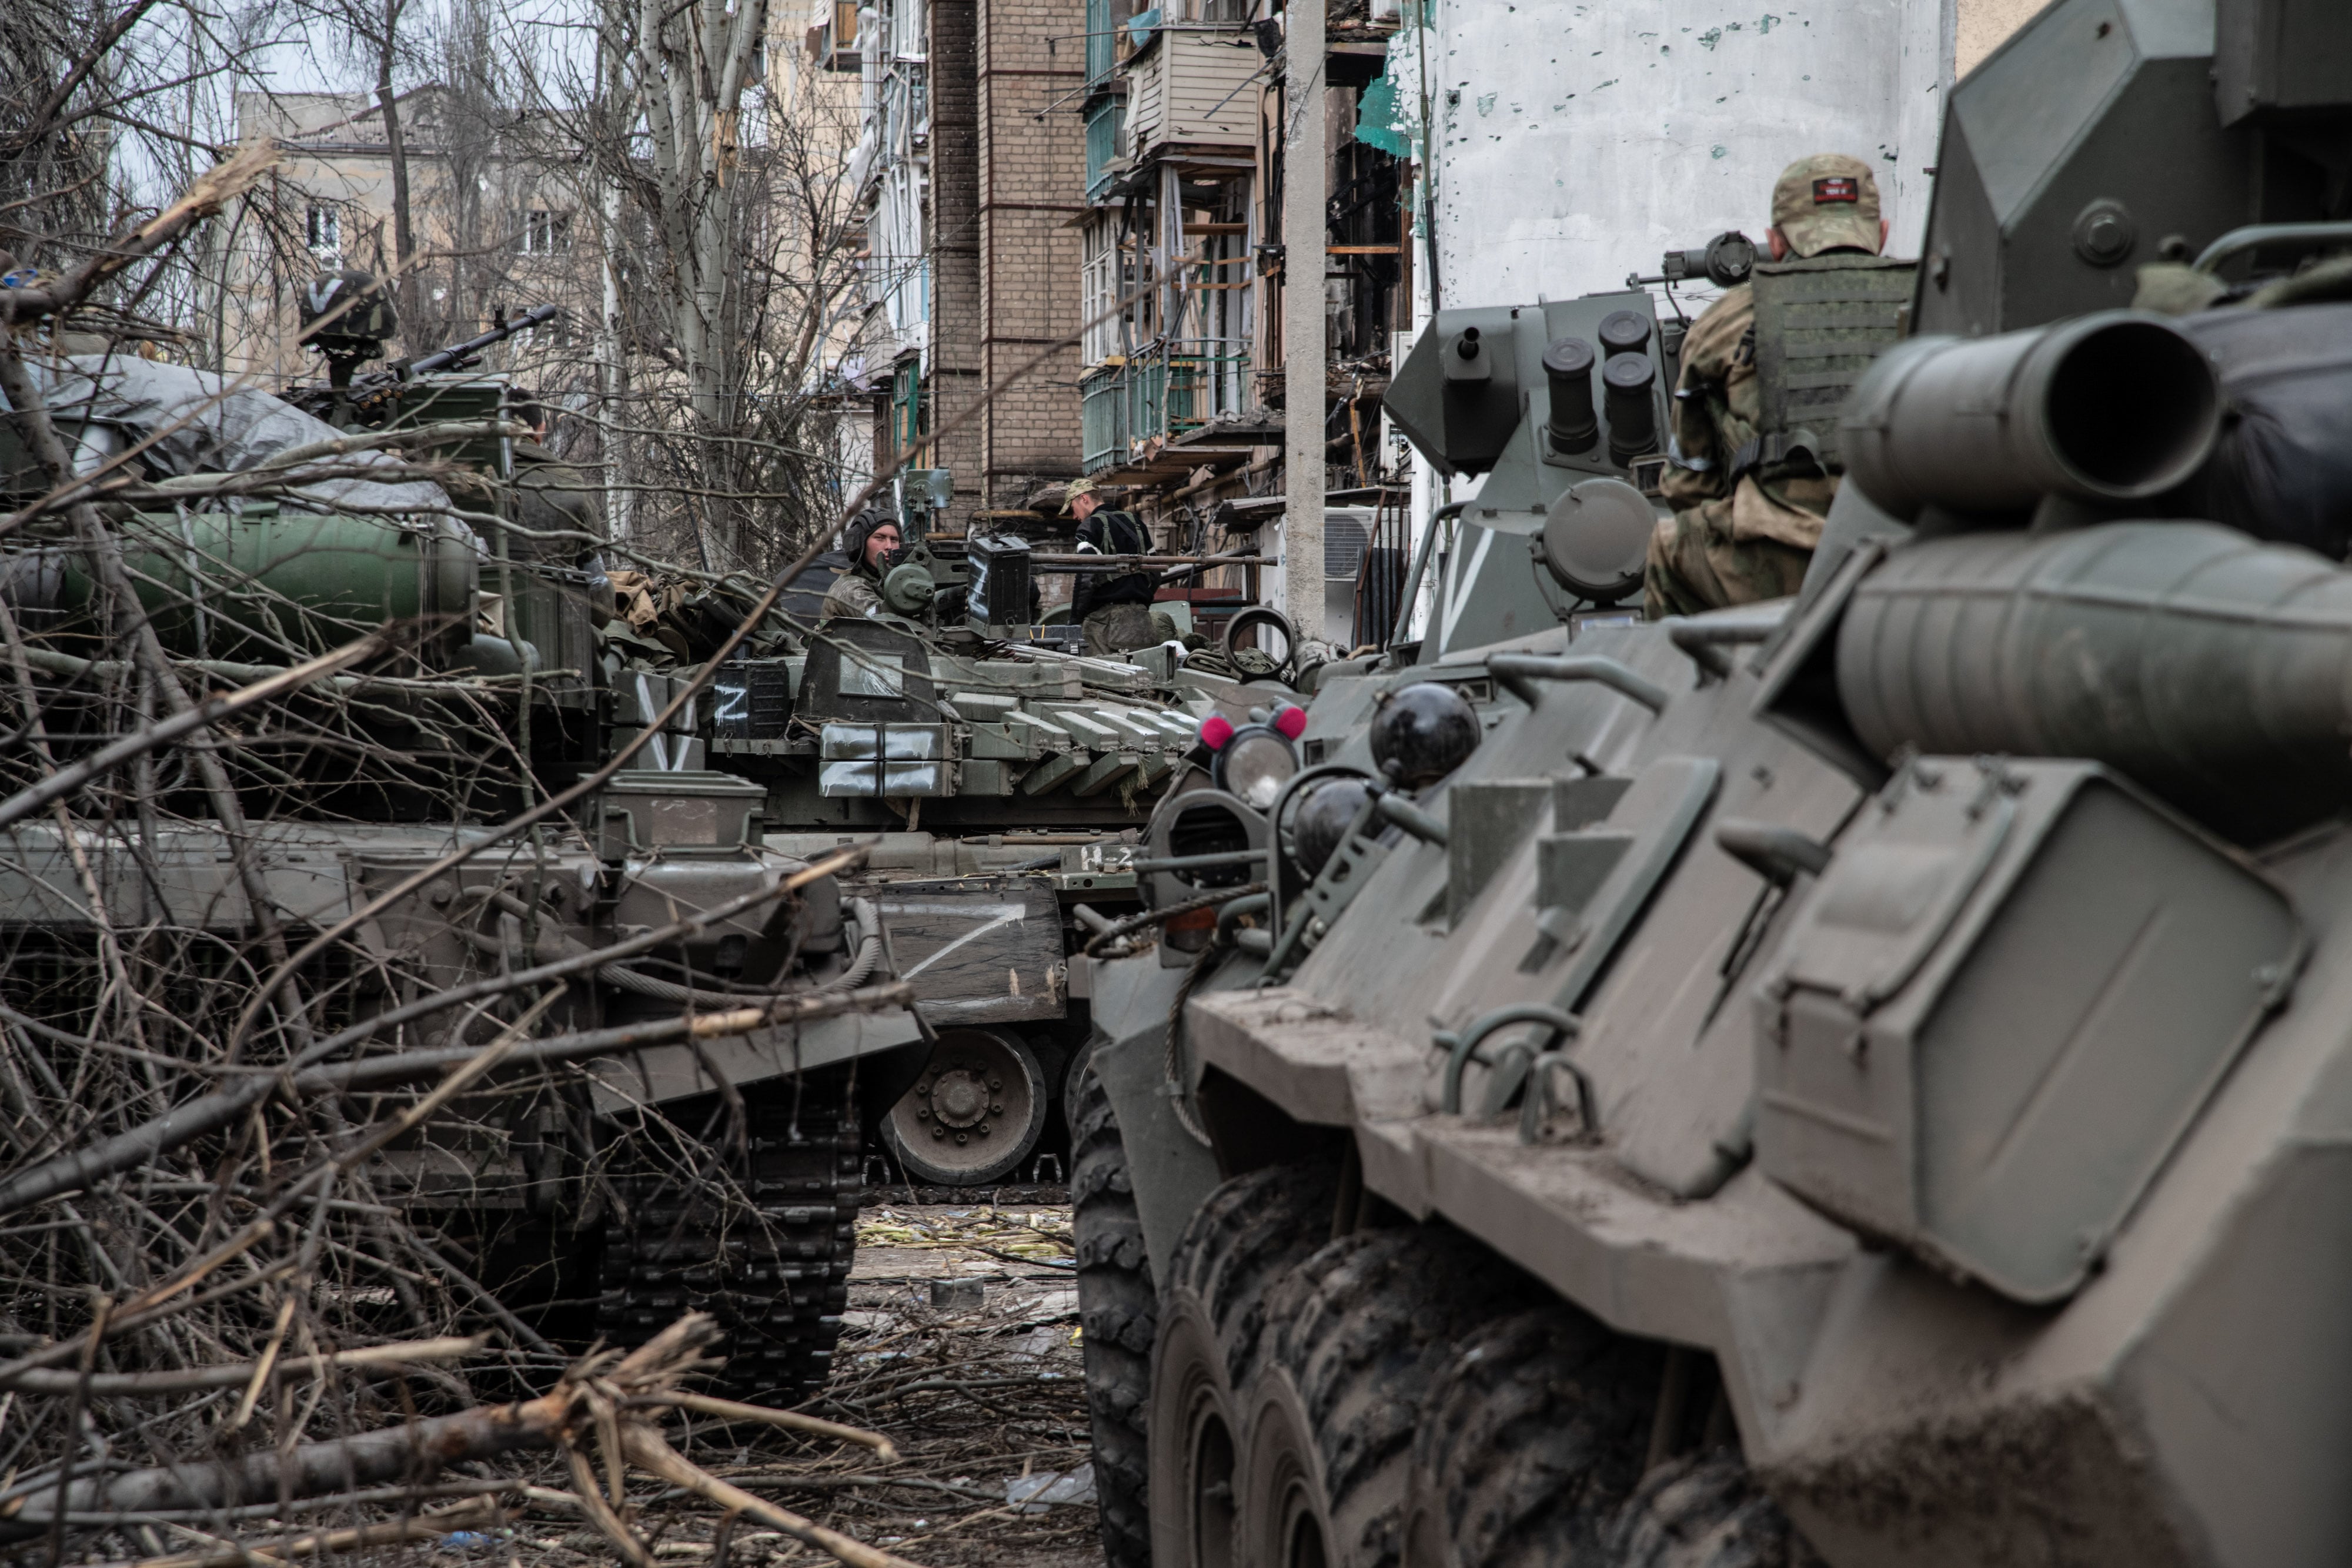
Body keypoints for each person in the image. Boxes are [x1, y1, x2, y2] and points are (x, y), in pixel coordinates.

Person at [1645, 153, 1896, 618]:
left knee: (1669, 549)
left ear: (1775, 243)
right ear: (1881, 233)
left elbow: (1687, 487)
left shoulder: (1728, 321)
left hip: (1786, 561)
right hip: (1916, 557)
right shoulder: (1938, 297)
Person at [1065, 477, 1177, 654]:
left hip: (1105, 623)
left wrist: (1075, 620)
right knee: (1141, 675)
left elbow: (1086, 576)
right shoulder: (1136, 522)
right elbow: (1155, 572)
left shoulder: (1088, 527)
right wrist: (1140, 604)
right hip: (1140, 620)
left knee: (1098, 675)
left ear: (1084, 499)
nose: (1075, 516)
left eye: (1073, 509)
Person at [821, 509, 903, 620]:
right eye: (880, 538)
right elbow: (890, 624)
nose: (889, 546)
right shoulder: (850, 589)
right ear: (860, 544)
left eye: (894, 539)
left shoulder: (887, 584)